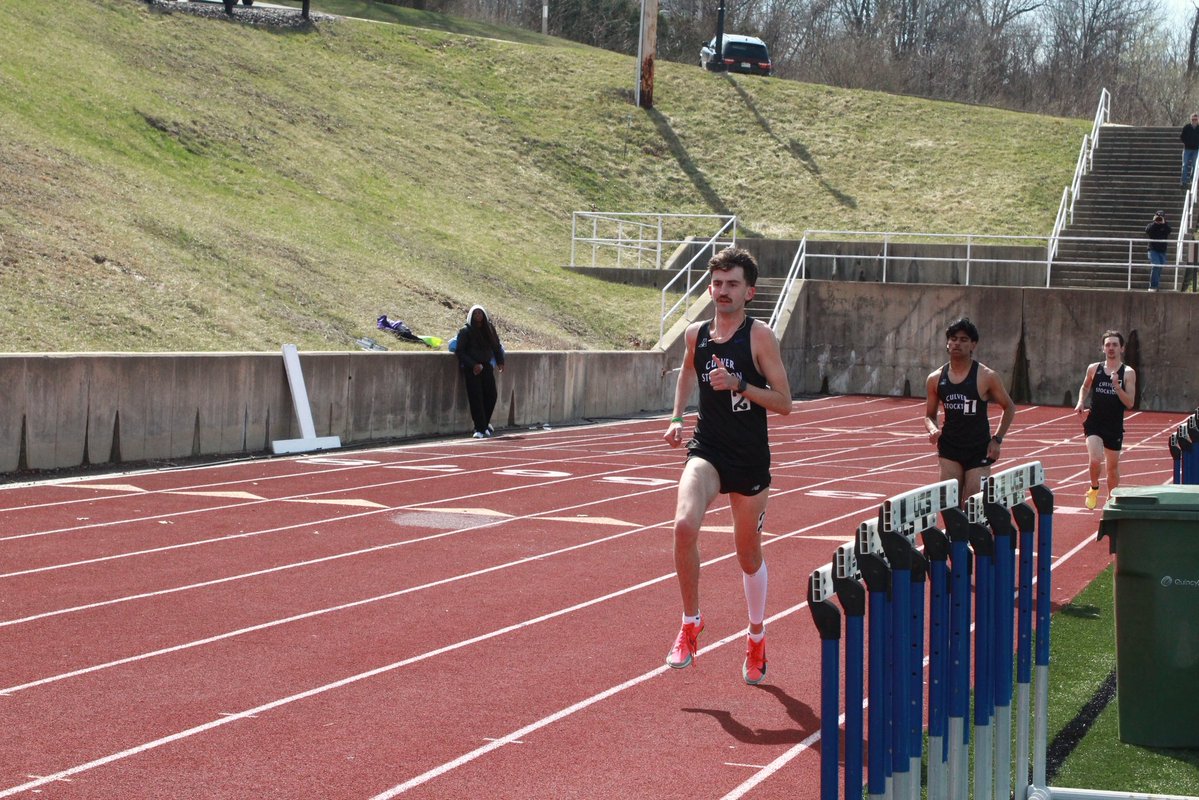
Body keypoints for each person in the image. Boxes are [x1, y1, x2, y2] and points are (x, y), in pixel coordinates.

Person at [662, 247, 792, 686]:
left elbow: (785, 403)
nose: (722, 290)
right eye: (717, 283)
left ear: (749, 291)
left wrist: (741, 384)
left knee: (747, 555)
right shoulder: (696, 334)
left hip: (750, 458)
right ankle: (690, 622)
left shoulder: (759, 337)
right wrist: (678, 416)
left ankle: (756, 637)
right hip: (708, 450)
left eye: (732, 283)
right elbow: (685, 372)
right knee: (683, 526)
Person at [923, 318, 1016, 503]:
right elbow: (929, 416)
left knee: (973, 504)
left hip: (978, 448)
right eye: (953, 338)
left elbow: (1009, 407)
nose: (957, 343)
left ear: (973, 344)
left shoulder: (987, 376)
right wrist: (933, 429)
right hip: (950, 447)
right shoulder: (935, 378)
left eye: (964, 339)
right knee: (949, 503)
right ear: (947, 343)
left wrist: (997, 440)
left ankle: (974, 533)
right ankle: (953, 533)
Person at [1075, 330, 1136, 510]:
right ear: (1103, 348)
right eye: (1108, 345)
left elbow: (1130, 403)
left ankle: (1110, 498)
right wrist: (1080, 402)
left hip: (1114, 426)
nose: (1111, 348)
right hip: (1095, 423)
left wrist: (1117, 387)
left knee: (1112, 468)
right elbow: (1085, 387)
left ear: (1122, 348)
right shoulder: (1094, 368)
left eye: (1115, 345)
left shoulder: (1128, 373)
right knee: (1095, 459)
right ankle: (1094, 488)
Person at [455, 305, 505, 438]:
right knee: (476, 397)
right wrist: (473, 365)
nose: (478, 316)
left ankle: (484, 424)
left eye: (480, 313)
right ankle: (479, 428)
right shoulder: (465, 331)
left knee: (491, 395)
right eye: (475, 313)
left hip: (486, 366)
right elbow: (460, 351)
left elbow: (496, 346)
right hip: (472, 369)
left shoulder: (489, 329)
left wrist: (500, 361)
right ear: (471, 315)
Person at [1145, 210, 1171, 292]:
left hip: (1162, 251)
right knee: (1156, 265)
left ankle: (1156, 286)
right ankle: (1153, 286)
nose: (1159, 219)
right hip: (1153, 250)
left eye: (1161, 217)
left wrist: (1164, 223)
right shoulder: (1151, 225)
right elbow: (1147, 230)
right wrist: (1155, 223)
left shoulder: (1165, 226)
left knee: (1159, 268)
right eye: (1158, 217)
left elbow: (1169, 231)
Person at [1181, 113, 1199, 188]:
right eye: (1193, 119)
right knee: (1185, 165)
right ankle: (1184, 181)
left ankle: (1192, 180)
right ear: (1190, 119)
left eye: (1195, 119)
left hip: (1196, 149)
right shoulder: (1186, 127)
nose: (1194, 121)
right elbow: (1182, 136)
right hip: (1187, 149)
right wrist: (1186, 142)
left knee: (1194, 165)